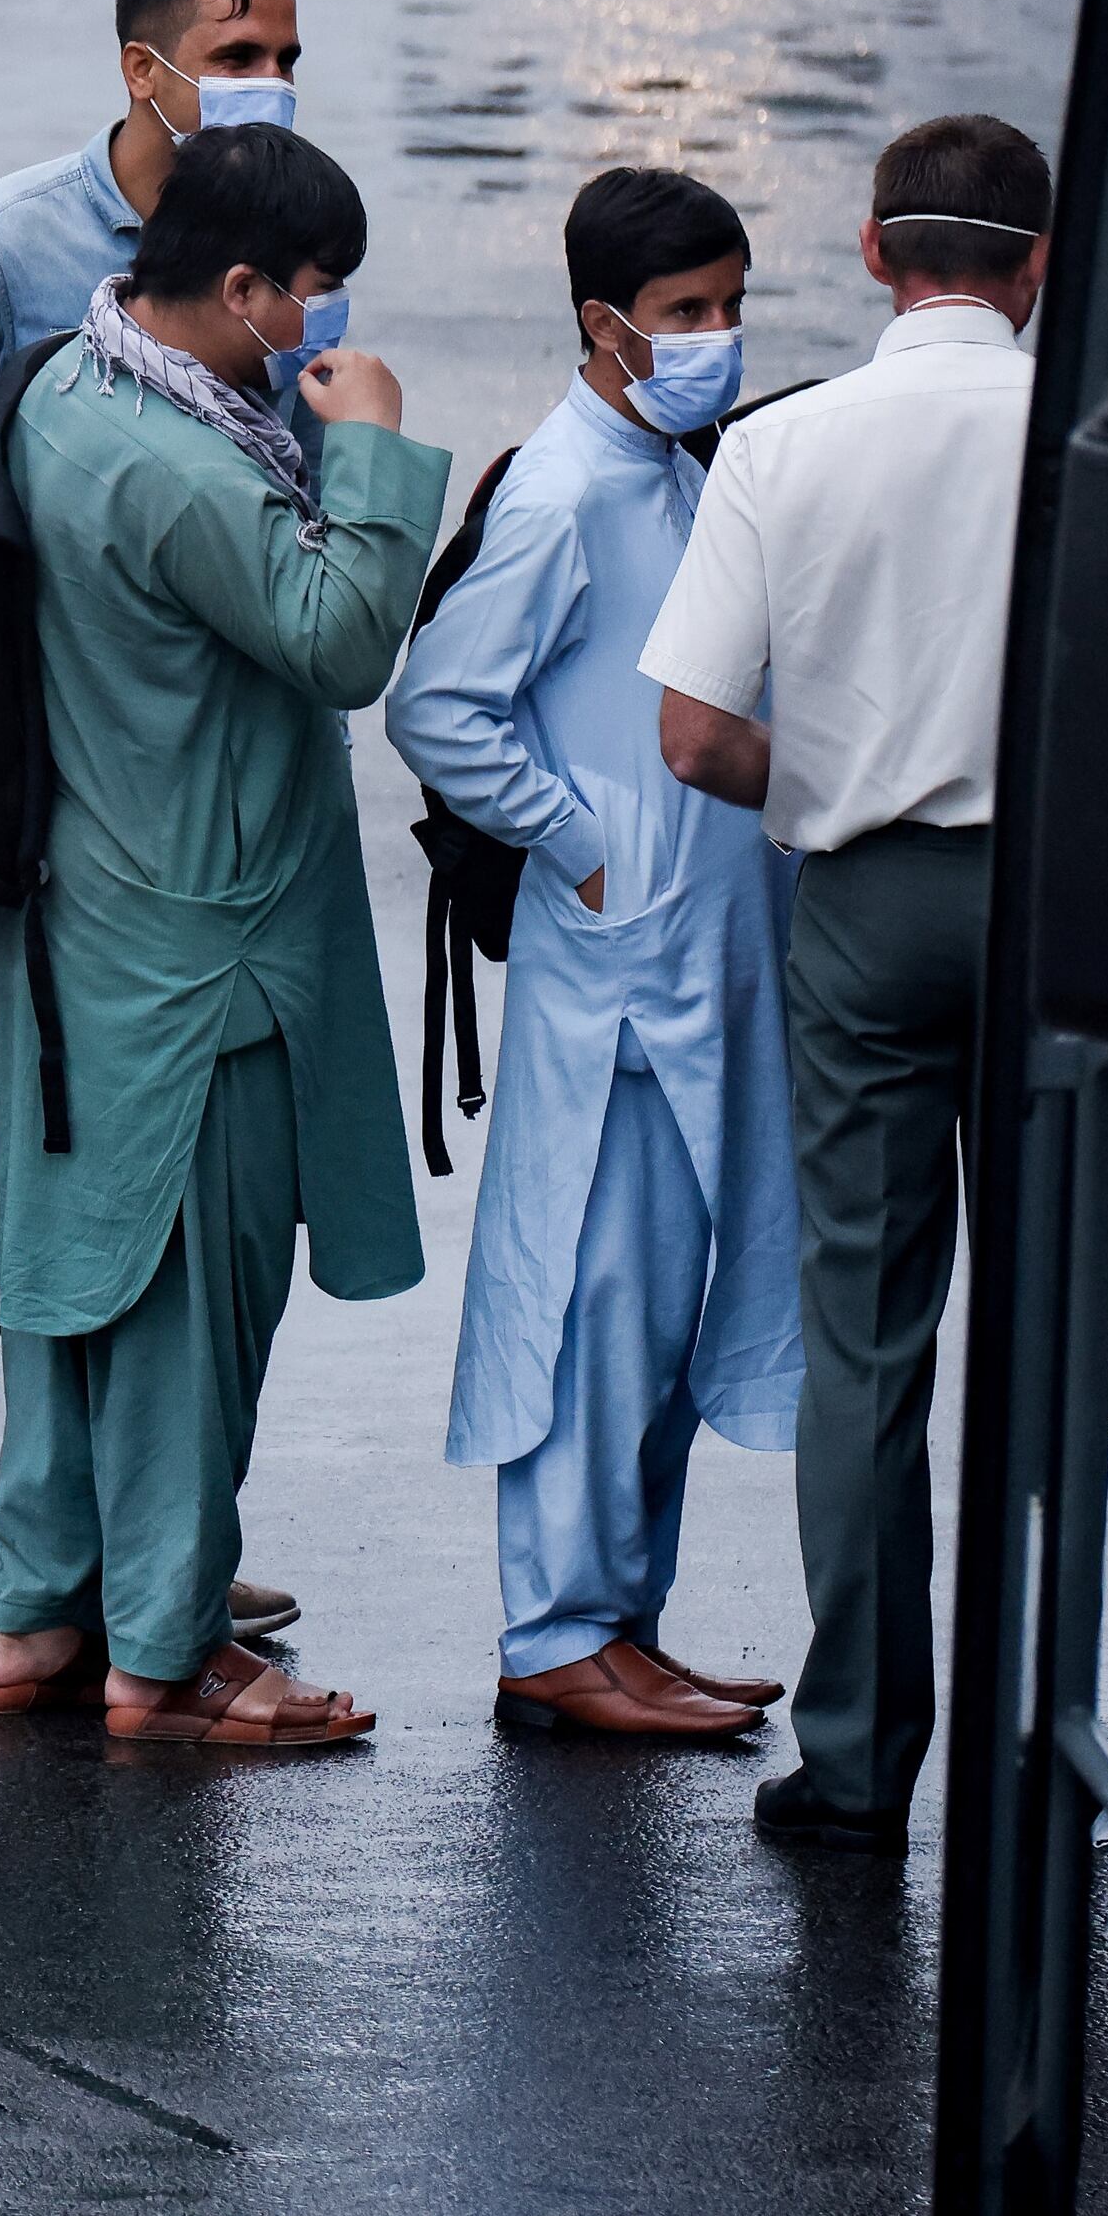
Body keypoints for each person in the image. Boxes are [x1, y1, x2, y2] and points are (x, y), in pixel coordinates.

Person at [0, 0, 315, 1654]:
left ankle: (140, 1533)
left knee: (167, 1189)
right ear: (143, 67)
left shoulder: (273, 258)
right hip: (8, 807)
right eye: (236, 56)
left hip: (188, 819)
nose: (261, 88)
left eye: (281, 61)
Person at [0, 124, 440, 1748]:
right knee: (186, 1327)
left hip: (73, 931)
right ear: (237, 290)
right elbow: (342, 636)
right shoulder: (175, 463)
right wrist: (370, 444)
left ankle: (28, 1627)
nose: (324, 323)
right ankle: (170, 1658)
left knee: (67, 1303)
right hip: (204, 960)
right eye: (310, 295)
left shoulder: (69, 394)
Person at [641, 113, 1050, 1852]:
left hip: (866, 908)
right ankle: (1055, 1747)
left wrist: (825, 793)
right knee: (1052, 1345)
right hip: (1064, 920)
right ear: (1040, 270)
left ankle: (867, 1759)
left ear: (877, 254)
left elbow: (693, 731)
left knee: (867, 1346)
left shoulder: (785, 445)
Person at [382, 167, 799, 1741]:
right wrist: (585, 841)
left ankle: (623, 1616)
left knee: (665, 1304)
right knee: (594, 1302)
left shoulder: (677, 470)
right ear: (601, 327)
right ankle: (557, 1627)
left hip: (692, 958)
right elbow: (438, 707)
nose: (719, 337)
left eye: (731, 305)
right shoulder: (562, 492)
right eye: (687, 313)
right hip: (618, 971)